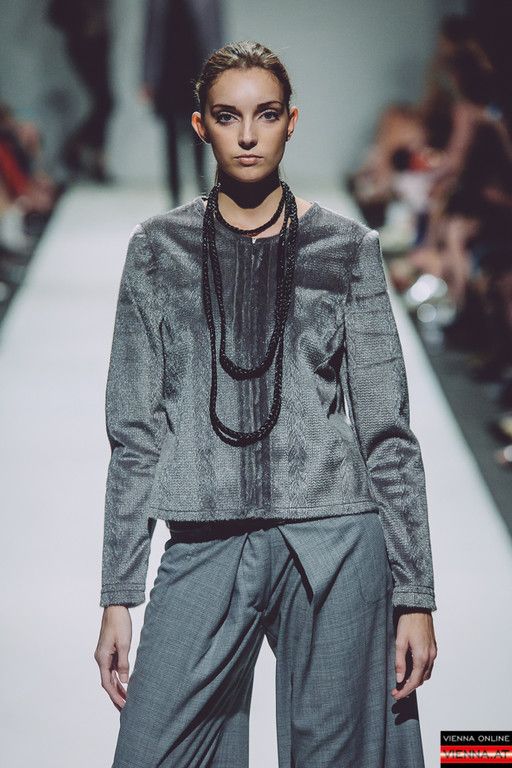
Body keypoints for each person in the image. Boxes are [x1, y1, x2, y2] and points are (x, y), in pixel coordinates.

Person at [94, 40, 438, 767]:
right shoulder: (158, 251)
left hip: (335, 540)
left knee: (337, 755)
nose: (248, 135)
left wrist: (415, 594)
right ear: (200, 125)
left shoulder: (345, 249)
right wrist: (118, 593)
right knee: (151, 751)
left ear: (291, 122)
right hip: (205, 535)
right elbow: (134, 431)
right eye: (228, 116)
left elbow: (387, 433)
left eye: (267, 114)